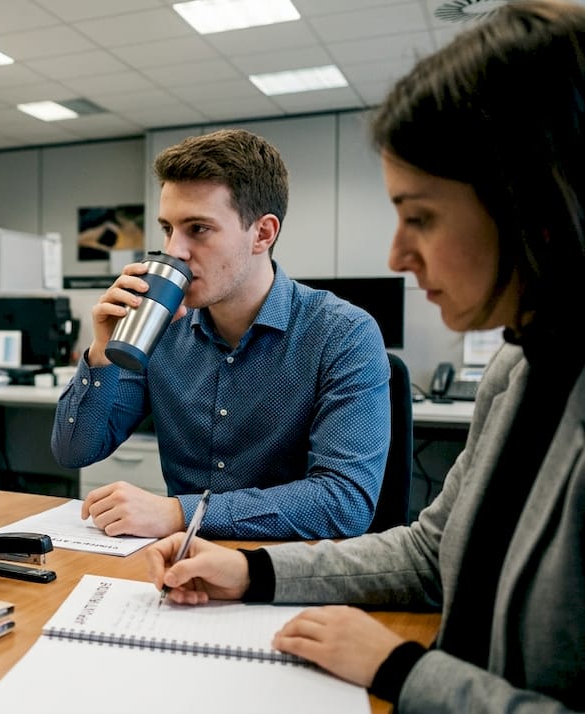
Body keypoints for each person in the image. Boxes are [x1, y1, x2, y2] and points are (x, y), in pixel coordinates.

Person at [145, 2, 585, 710]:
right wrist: (252, 573)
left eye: (422, 216)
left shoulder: (341, 331)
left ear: (535, 205)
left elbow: (347, 504)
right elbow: (425, 556)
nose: (397, 254)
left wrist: (403, 672)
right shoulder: (522, 367)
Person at [52, 128, 390, 540]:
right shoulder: (161, 327)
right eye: (168, 228)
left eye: (198, 229)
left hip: (283, 572)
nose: (174, 250)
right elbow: (75, 451)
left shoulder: (343, 334)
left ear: (263, 234)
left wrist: (184, 513)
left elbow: (345, 501)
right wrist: (102, 351)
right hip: (179, 567)